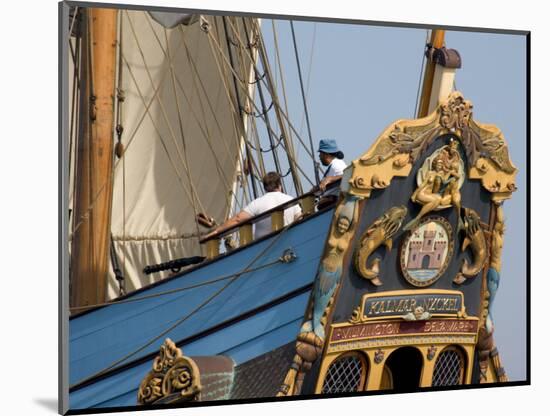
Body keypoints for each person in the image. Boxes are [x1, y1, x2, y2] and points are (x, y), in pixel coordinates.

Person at [204, 172, 302, 240]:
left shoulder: (257, 203)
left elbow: (237, 219)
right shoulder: (291, 200)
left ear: (265, 187)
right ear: (279, 185)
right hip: (289, 243)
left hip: (263, 249)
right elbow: (300, 219)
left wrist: (217, 232)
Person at [317, 139, 347, 208]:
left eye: (320, 153)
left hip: (333, 205)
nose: (319, 156)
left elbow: (347, 176)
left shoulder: (337, 164)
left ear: (326, 154)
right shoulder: (333, 165)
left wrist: (330, 179)